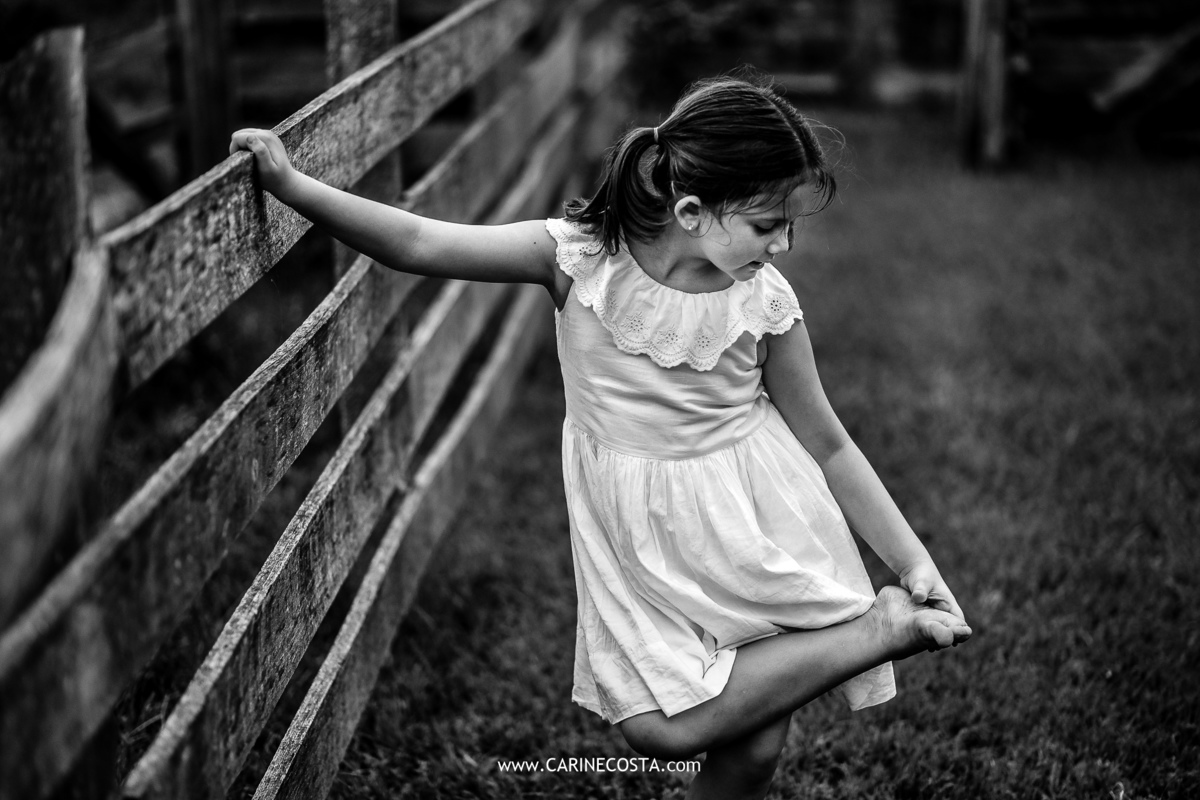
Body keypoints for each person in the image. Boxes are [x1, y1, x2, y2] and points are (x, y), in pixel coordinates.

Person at [230, 75, 971, 800]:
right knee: (661, 728)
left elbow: (830, 444)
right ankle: (872, 631)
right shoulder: (579, 261)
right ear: (691, 210)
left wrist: (914, 562)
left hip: (748, 520)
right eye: (767, 225)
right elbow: (420, 242)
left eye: (791, 227)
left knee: (750, 751)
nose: (783, 246)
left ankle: (878, 628)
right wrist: (294, 187)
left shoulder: (764, 303)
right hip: (638, 530)